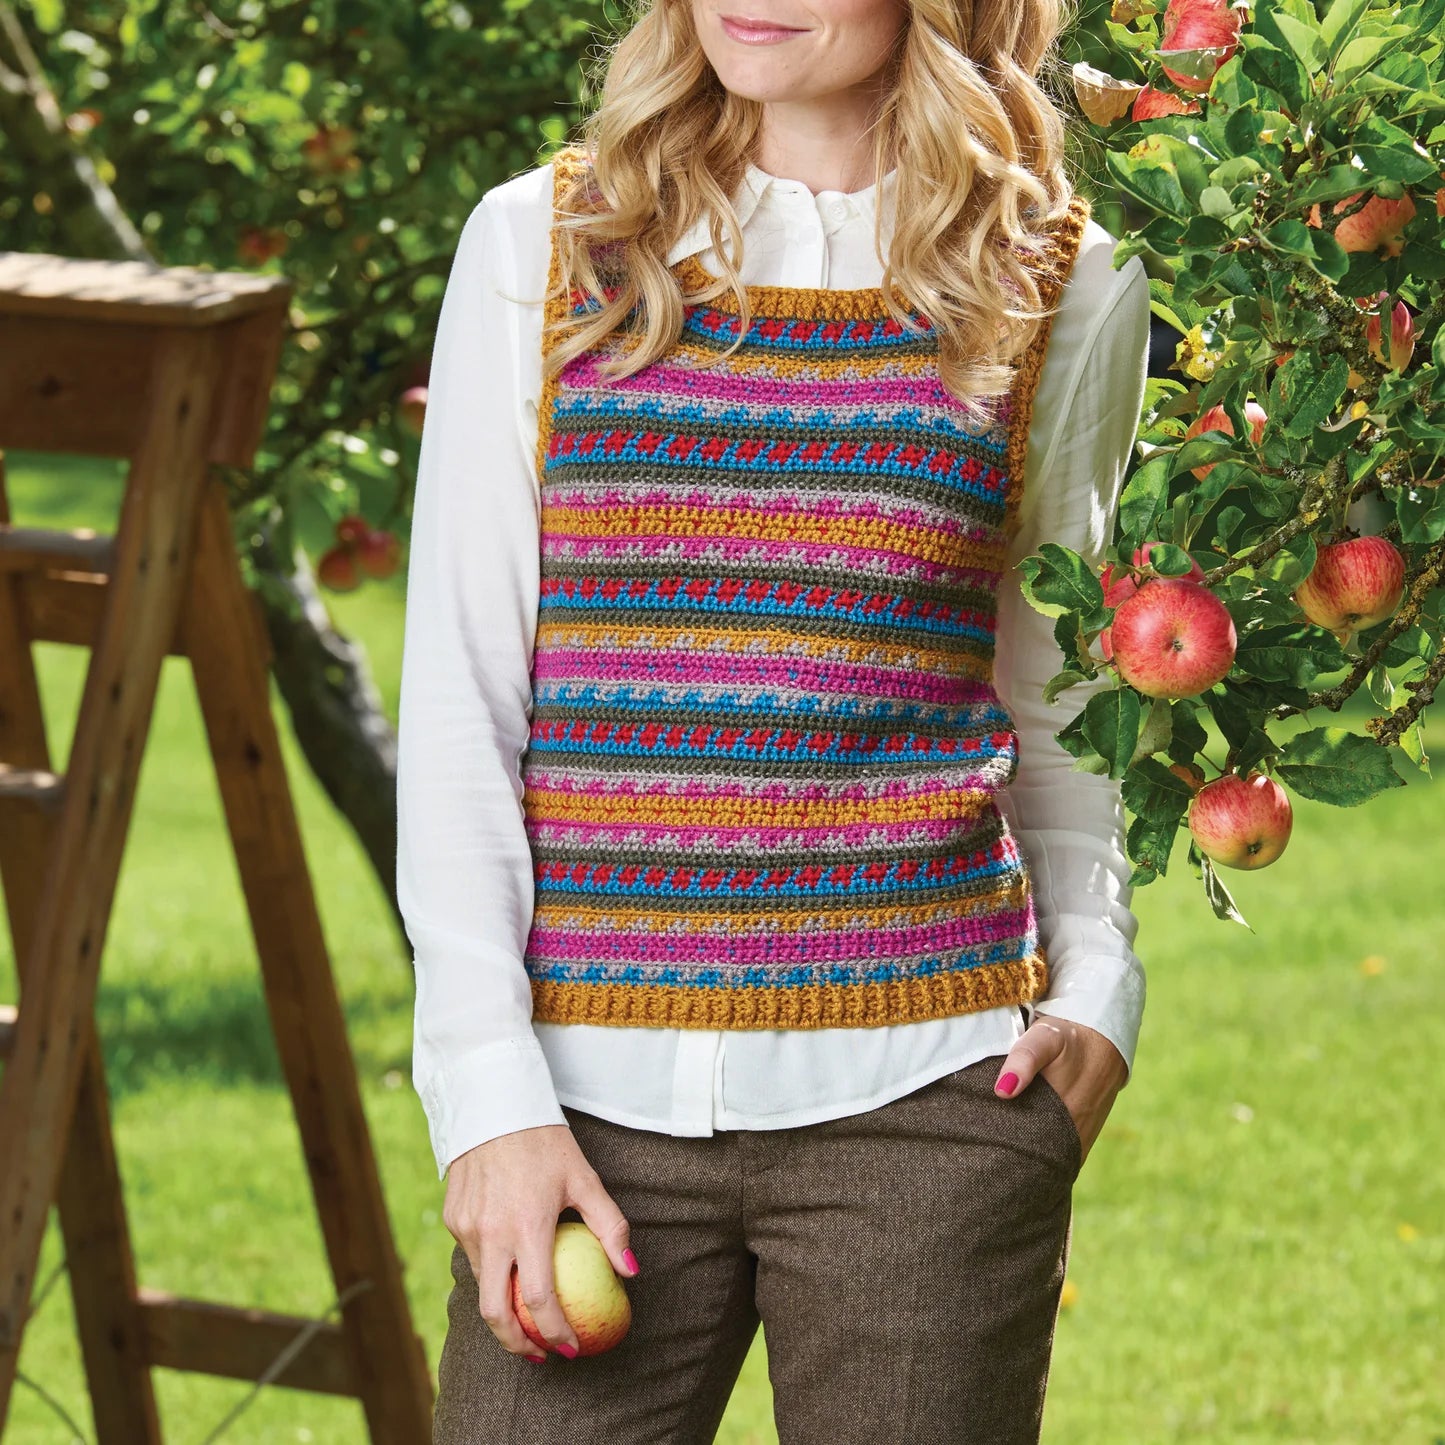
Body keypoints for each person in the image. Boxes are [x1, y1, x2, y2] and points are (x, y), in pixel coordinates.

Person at [396, 0, 1151, 1437]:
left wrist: (1095, 988)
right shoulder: (541, 242)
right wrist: (488, 1101)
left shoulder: (1065, 284)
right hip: (578, 1113)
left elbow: (1058, 695)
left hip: (933, 1098)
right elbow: (459, 706)